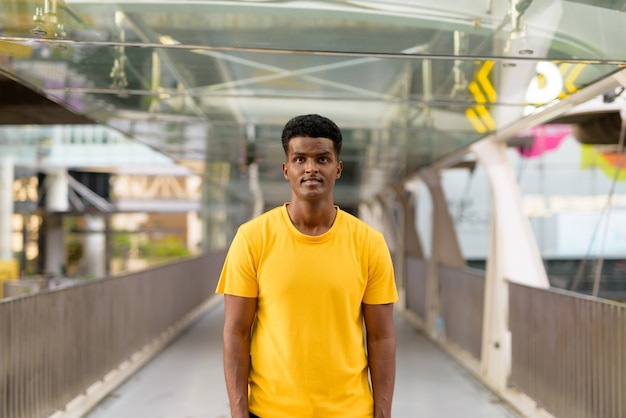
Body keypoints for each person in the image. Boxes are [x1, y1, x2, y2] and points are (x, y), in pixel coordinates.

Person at [216, 114, 398, 418]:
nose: (311, 168)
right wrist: (238, 412)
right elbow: (235, 331)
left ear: (337, 169)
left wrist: (383, 413)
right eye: (300, 159)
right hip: (270, 411)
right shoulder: (252, 238)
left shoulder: (369, 243)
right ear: (287, 169)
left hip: (351, 412)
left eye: (322, 159)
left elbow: (381, 336)